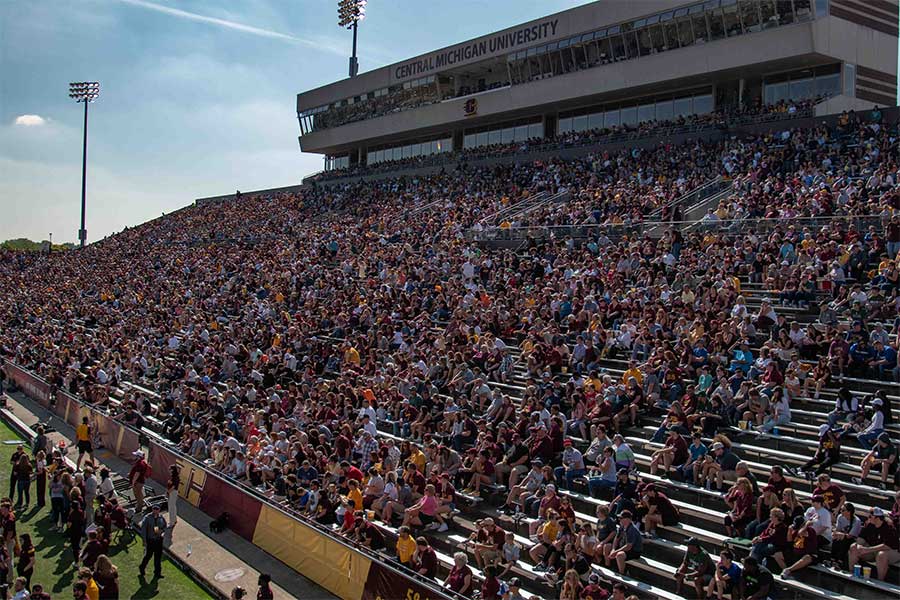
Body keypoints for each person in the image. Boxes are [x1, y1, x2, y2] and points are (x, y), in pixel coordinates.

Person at [848, 507, 900, 581]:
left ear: (877, 518)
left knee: (881, 555)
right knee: (853, 547)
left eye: (870, 516)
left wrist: (867, 550)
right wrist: (858, 546)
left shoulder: (889, 527)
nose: (868, 518)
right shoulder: (869, 524)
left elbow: (888, 546)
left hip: (892, 551)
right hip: (873, 551)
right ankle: (852, 574)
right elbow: (861, 539)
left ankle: (880, 581)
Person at [138, 505, 166, 578]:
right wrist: (144, 541)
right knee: (148, 556)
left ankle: (157, 572)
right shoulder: (147, 518)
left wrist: (162, 531)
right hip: (150, 540)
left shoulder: (161, 517)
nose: (156, 511)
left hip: (159, 540)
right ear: (152, 510)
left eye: (157, 509)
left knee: (158, 557)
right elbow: (143, 530)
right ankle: (142, 567)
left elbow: (164, 527)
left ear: (159, 510)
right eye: (154, 509)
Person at [128, 450, 151, 520]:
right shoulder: (142, 462)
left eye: (136, 455)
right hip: (139, 481)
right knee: (139, 494)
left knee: (137, 494)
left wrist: (133, 482)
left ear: (138, 456)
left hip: (138, 482)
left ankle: (139, 508)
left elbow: (137, 474)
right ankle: (139, 505)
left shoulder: (140, 464)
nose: (134, 456)